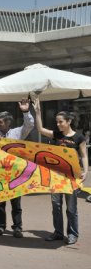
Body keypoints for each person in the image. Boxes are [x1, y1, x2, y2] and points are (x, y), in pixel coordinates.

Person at [33, 97, 88, 245]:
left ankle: (73, 234)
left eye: (60, 122)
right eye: (56, 122)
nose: (58, 124)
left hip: (71, 177)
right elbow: (40, 129)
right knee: (56, 206)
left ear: (68, 121)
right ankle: (58, 232)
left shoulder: (78, 137)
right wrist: (37, 112)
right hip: (56, 176)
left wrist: (86, 172)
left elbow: (83, 155)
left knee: (71, 208)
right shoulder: (57, 135)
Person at [0, 99, 34, 238]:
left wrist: (26, 111)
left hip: (16, 174)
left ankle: (17, 228)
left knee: (16, 204)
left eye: (0, 122)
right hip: (0, 174)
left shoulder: (18, 133)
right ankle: (0, 227)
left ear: (8, 122)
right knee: (0, 203)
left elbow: (30, 125)